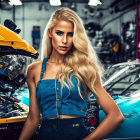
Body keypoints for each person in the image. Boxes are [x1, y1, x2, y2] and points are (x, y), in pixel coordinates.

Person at [19, 7, 124, 140]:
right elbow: (33, 118)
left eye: (70, 34)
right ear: (50, 33)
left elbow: (116, 116)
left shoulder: (85, 68)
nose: (65, 40)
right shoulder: (34, 70)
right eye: (59, 33)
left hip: (76, 134)